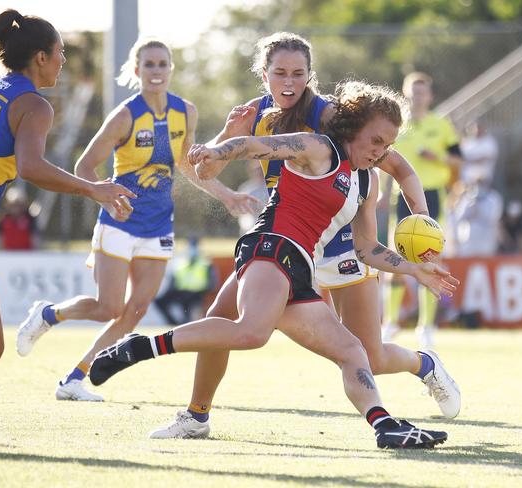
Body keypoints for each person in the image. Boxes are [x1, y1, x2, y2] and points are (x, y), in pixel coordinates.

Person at [89, 80, 460, 450]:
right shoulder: (318, 148)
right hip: (271, 246)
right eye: (376, 141)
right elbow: (255, 145)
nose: (381, 152)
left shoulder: (367, 183)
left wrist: (413, 270)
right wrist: (220, 149)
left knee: (353, 351)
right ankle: (141, 348)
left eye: (389, 145)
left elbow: (364, 248)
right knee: (252, 332)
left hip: (300, 267)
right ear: (353, 128)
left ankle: (384, 426)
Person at [15, 38, 257, 400]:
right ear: (136, 71)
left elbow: (185, 167)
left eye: (162, 64)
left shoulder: (185, 112)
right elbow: (85, 166)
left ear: (171, 69)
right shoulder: (125, 115)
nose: (156, 71)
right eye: (149, 65)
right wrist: (107, 197)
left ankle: (73, 380)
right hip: (119, 222)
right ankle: (48, 314)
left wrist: (228, 195)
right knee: (107, 308)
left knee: (134, 313)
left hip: (158, 226)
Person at [0, 9, 135, 367]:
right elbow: (32, 167)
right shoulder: (33, 105)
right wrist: (93, 189)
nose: (63, 60)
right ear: (41, 57)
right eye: (60, 52)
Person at [384, 72, 462, 349]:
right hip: (401, 197)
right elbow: (384, 160)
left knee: (432, 260)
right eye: (413, 92)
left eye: (422, 92)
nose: (418, 97)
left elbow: (458, 162)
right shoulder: (396, 125)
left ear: (430, 96)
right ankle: (390, 323)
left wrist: (437, 158)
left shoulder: (441, 125)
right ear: (405, 94)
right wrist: (381, 193)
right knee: (394, 260)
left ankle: (426, 326)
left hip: (432, 196)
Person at [154, 236, 217, 324]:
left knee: (190, 318)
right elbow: (173, 282)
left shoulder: (205, 263)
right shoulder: (181, 262)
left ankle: (183, 324)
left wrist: (203, 291)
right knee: (160, 301)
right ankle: (173, 324)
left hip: (196, 295)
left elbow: (212, 284)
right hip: (181, 293)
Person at [0, 185, 38, 250]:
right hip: (8, 256)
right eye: (13, 205)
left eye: (18, 205)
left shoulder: (29, 219)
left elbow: (35, 239)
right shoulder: (4, 219)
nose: (15, 208)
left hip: (26, 256)